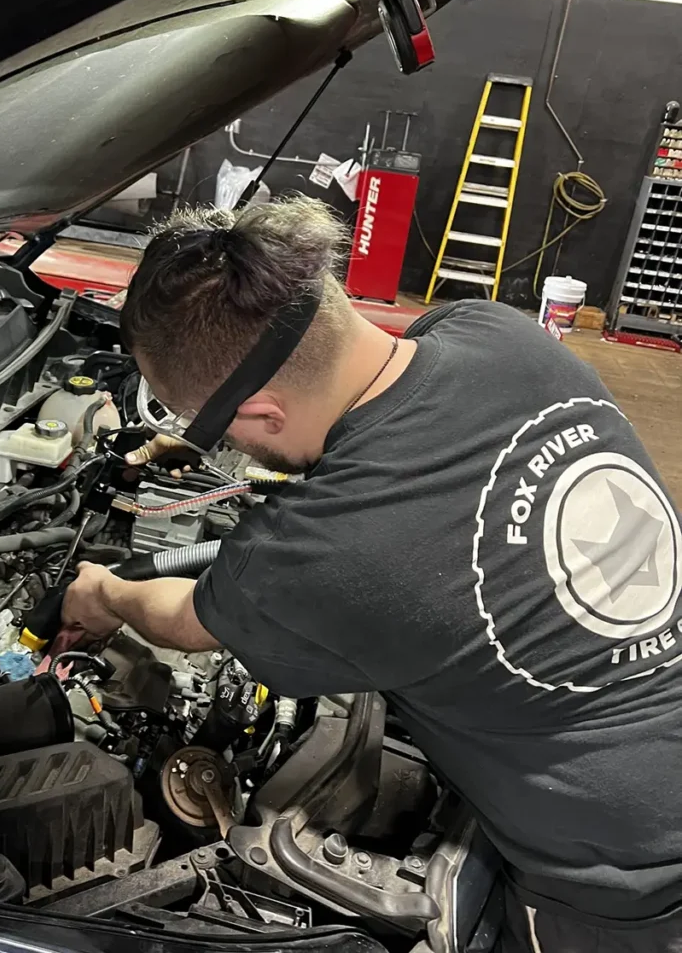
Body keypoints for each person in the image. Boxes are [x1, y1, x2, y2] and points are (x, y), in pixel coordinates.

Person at [62, 195, 682, 953]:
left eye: (214, 434)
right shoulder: (498, 329)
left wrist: (103, 591)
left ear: (260, 414)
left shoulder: (317, 552)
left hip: (627, 886)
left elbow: (185, 620)